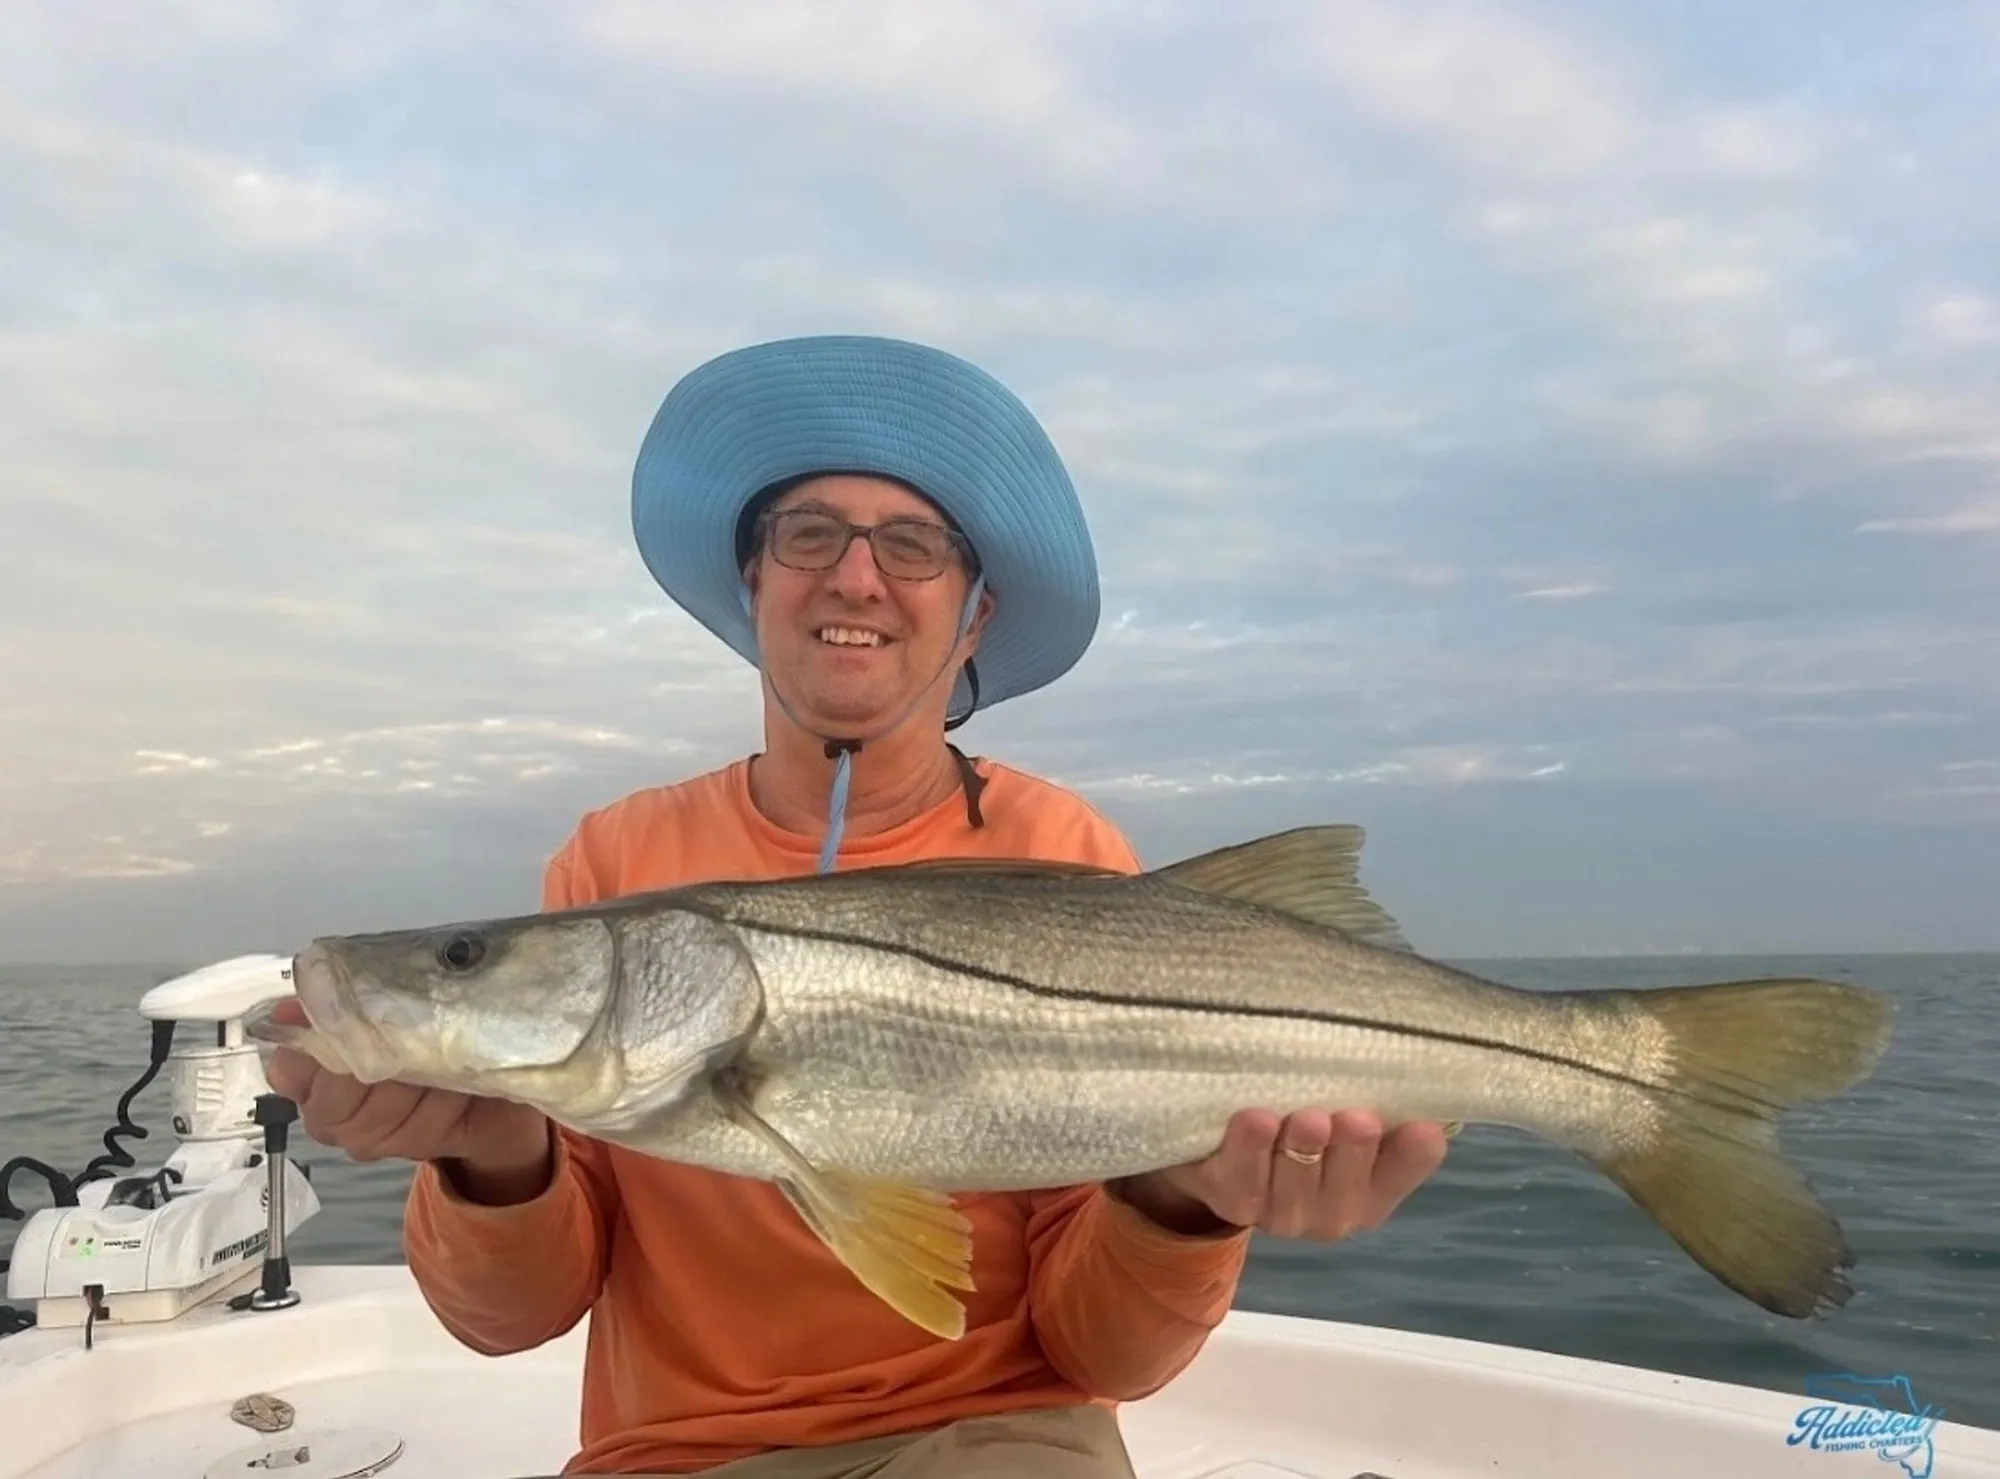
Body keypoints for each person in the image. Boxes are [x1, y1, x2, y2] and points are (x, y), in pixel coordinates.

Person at [263, 335, 1451, 1477]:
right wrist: (491, 1155)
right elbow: (508, 1325)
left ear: (974, 610)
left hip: (996, 1438)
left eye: (914, 545)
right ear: (755, 579)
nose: (854, 575)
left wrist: (1183, 1199)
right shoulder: (614, 858)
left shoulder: (1067, 852)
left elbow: (1103, 1356)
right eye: (809, 534)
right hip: (672, 1453)